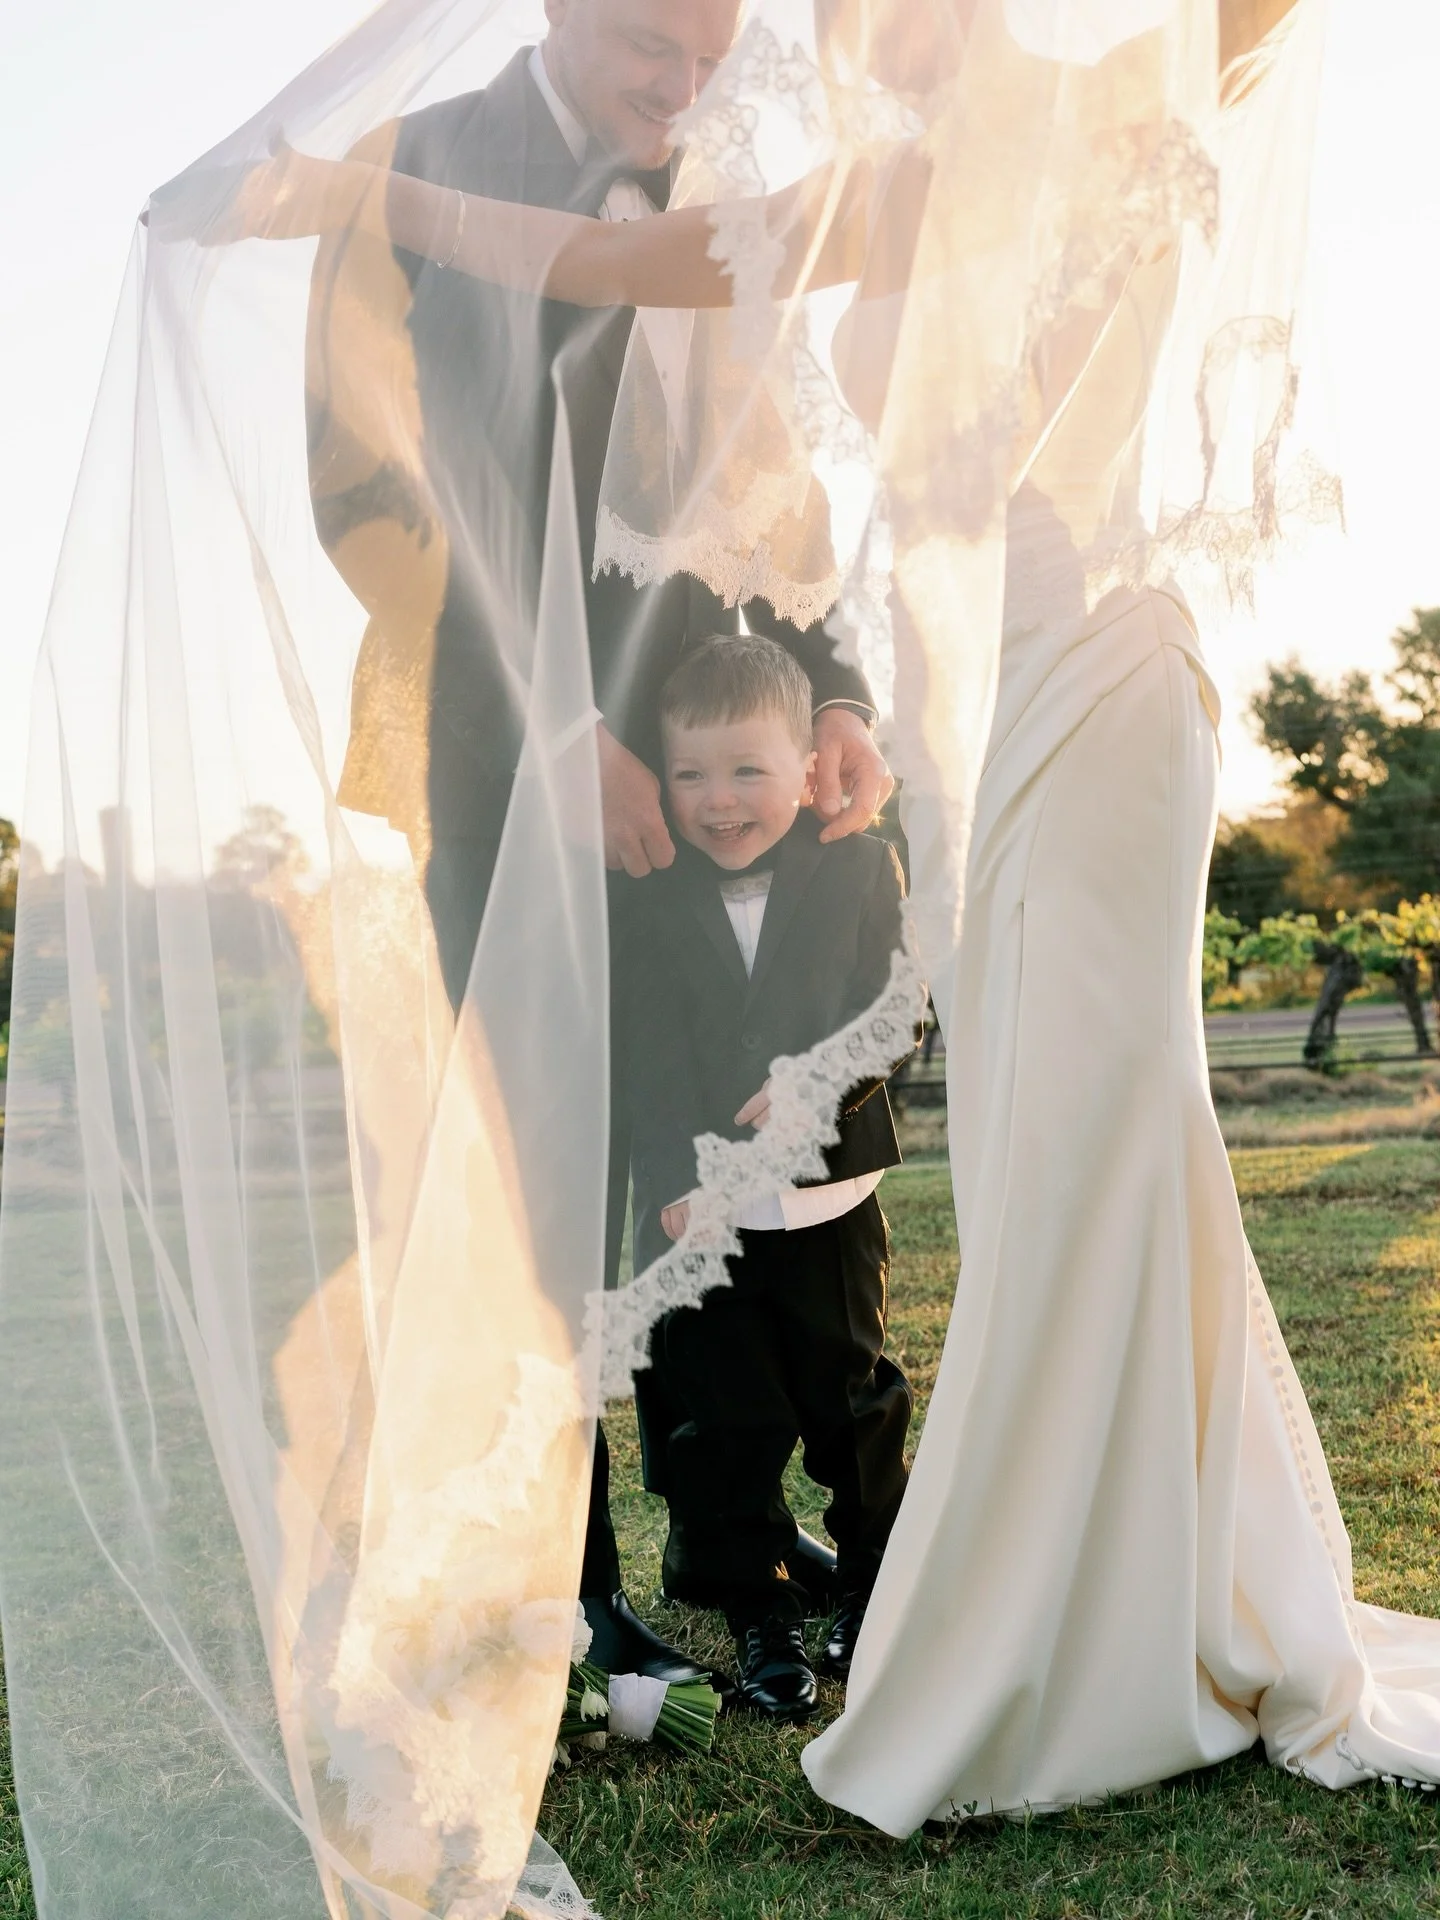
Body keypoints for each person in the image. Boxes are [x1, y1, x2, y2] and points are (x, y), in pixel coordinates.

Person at [152, 0, 1440, 1840]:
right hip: (981, 719)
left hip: (1102, 678)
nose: (864, 34)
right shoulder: (884, 189)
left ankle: (1054, 1616)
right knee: (1049, 1157)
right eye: (848, 18)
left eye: (897, 8)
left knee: (1088, 1146)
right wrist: (337, 189)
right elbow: (600, 269)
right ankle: (1109, 1578)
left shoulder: (1095, 110)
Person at [291, 0, 891, 1682]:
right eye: (648, 41)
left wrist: (832, 693)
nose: (679, 85)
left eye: (710, 53)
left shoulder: (726, 195)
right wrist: (558, 718)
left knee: (717, 1168)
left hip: (714, 773)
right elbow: (367, 491)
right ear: (557, 4)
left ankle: (738, 1540)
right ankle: (562, 1579)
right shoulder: (411, 175)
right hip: (502, 757)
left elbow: (782, 491)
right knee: (530, 1177)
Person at [621, 634, 914, 1720]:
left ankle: (876, 1587)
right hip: (707, 1217)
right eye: (690, 773)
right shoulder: (648, 894)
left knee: (852, 1401)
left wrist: (821, 1085)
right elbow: (643, 1054)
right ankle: (764, 1626)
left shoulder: (859, 865)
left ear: (809, 766)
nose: (719, 800)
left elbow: (896, 1010)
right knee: (724, 1423)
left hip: (832, 1198)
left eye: (748, 771)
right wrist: (668, 1181)